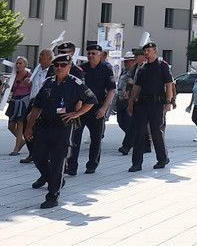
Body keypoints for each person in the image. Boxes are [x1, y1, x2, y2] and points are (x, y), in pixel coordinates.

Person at [24, 53, 96, 208]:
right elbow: (37, 106)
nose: (59, 68)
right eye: (56, 65)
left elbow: (91, 100)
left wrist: (76, 114)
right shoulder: (48, 82)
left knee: (58, 162)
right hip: (44, 126)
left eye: (63, 65)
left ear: (69, 67)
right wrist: (29, 127)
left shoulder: (75, 83)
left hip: (63, 127)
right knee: (38, 157)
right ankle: (53, 179)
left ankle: (52, 196)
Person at [67, 44, 116, 174]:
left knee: (96, 138)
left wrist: (104, 109)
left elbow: (111, 90)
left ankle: (92, 164)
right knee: (75, 138)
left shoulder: (106, 69)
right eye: (89, 53)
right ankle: (71, 166)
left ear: (100, 55)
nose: (90, 56)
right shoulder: (81, 69)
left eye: (94, 53)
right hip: (81, 108)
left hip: (97, 108)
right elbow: (75, 89)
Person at [128, 42, 173, 172]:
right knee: (139, 132)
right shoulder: (142, 67)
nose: (146, 53)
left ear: (155, 51)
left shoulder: (162, 65)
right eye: (145, 51)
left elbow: (169, 84)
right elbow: (137, 86)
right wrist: (131, 102)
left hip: (156, 103)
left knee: (156, 132)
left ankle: (162, 159)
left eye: (148, 51)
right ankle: (136, 163)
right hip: (142, 104)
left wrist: (168, 102)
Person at [115, 53, 141, 155]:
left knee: (130, 124)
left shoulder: (137, 71)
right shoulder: (124, 71)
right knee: (121, 122)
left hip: (130, 100)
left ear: (133, 61)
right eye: (125, 61)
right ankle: (136, 139)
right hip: (121, 100)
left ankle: (127, 145)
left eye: (127, 61)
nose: (125, 63)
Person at [6, 57, 31, 156]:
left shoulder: (29, 75)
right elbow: (10, 89)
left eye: (20, 63)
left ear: (25, 65)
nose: (18, 65)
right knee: (11, 126)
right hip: (14, 101)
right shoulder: (13, 75)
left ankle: (16, 149)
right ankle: (21, 141)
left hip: (23, 101)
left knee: (20, 124)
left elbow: (33, 88)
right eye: (17, 63)